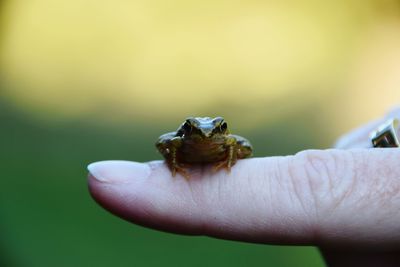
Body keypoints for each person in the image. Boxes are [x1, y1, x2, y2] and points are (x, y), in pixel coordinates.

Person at [87, 107, 400, 267]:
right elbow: (162, 142)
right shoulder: (179, 141)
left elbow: (243, 147)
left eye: (218, 129)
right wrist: (175, 163)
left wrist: (229, 157)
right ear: (189, 130)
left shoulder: (228, 141)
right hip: (188, 155)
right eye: (197, 130)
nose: (207, 135)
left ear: (223, 130)